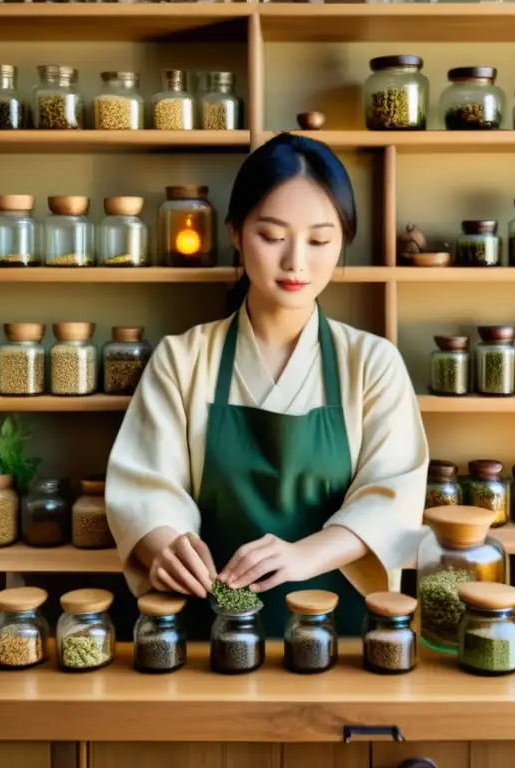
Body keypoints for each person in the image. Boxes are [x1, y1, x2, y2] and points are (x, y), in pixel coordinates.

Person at [105, 133, 428, 637]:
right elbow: (147, 488)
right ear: (235, 232)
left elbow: (391, 499)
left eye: (320, 240)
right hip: (206, 633)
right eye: (273, 236)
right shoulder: (182, 359)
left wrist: (301, 556)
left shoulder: (372, 364)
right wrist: (163, 544)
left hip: (337, 637)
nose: (297, 261)